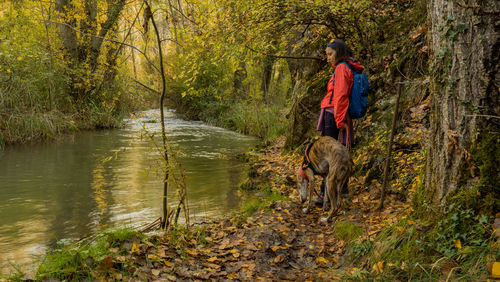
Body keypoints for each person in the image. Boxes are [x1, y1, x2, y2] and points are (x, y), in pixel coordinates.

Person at [316, 38, 365, 203]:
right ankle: (339, 191)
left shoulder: (342, 69)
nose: (328, 57)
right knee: (340, 153)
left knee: (329, 154)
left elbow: (341, 95)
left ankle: (326, 194)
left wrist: (339, 120)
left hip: (335, 113)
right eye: (327, 54)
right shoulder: (345, 67)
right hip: (339, 114)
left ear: (339, 52)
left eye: (330, 54)